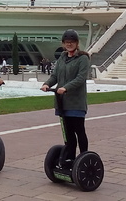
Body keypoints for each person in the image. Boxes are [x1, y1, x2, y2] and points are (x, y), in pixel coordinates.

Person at [40, 29, 90, 164]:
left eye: (72, 42)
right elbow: (55, 76)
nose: (69, 44)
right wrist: (47, 84)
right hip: (62, 102)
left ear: (77, 43)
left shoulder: (83, 58)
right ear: (63, 43)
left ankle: (84, 159)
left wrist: (66, 87)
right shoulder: (62, 57)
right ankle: (71, 158)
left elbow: (81, 78)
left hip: (76, 102)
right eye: (67, 42)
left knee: (79, 130)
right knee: (68, 133)